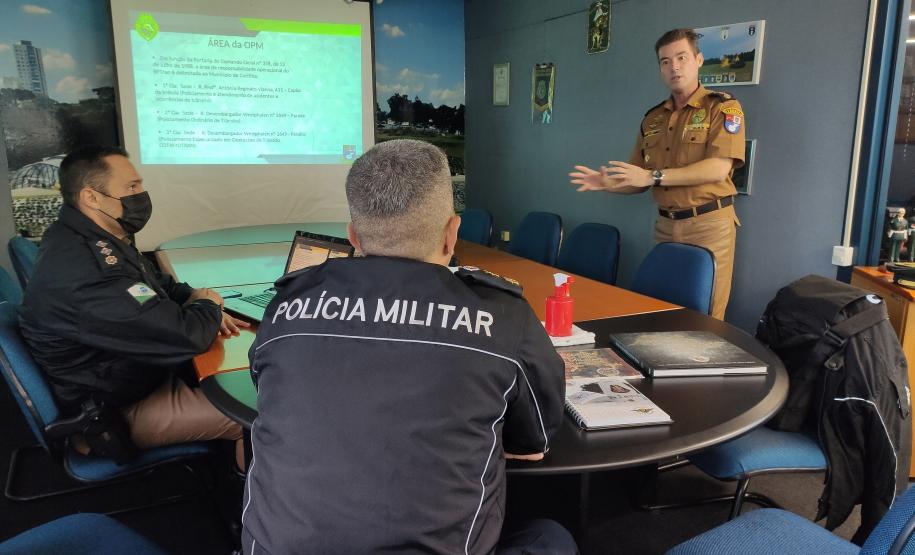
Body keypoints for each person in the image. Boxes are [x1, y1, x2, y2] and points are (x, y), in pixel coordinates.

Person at [241, 139, 574, 554]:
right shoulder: (501, 315)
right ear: (453, 234)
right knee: (551, 537)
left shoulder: (287, 305)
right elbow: (534, 438)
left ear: (353, 237)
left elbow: (270, 393)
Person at [18, 145, 245, 464]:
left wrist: (195, 299)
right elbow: (187, 335)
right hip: (112, 413)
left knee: (232, 376)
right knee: (254, 419)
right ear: (91, 197)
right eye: (132, 188)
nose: (141, 195)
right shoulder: (91, 273)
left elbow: (153, 288)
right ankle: (253, 511)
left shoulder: (89, 237)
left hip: (131, 377)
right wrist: (207, 306)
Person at [570, 28, 746, 320]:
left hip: (709, 224)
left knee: (706, 316)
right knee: (660, 308)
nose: (674, 67)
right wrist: (608, 184)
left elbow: (719, 168)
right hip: (666, 225)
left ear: (699, 60)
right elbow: (637, 177)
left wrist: (653, 177)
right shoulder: (653, 118)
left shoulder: (723, 107)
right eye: (665, 61)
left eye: (681, 57)